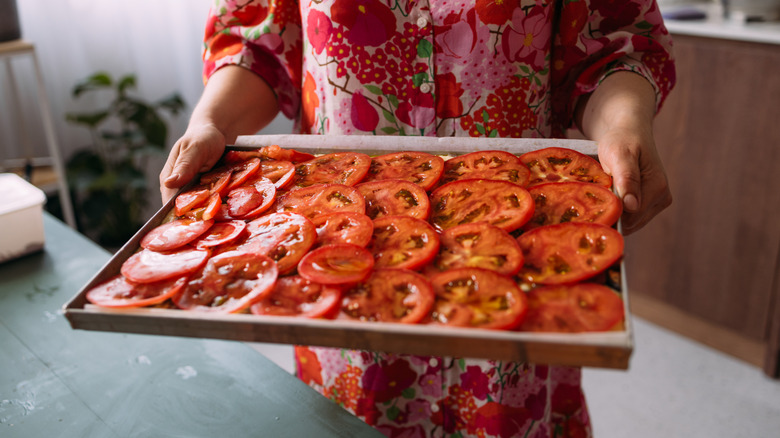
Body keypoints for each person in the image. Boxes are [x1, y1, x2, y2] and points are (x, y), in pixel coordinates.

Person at [160, 1, 675, 436]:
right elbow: (259, 44)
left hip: (524, 260)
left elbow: (615, 39)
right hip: (344, 258)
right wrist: (212, 122)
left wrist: (625, 125)